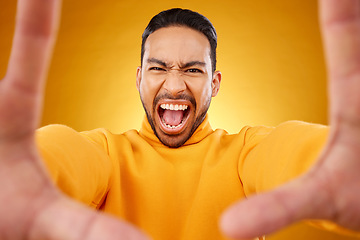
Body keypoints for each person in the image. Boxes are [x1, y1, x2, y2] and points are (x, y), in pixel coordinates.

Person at [1, 0, 360, 239]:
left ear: (214, 83)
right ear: (139, 78)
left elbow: (288, 150)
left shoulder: (245, 154)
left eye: (192, 69)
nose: (174, 86)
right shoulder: (106, 154)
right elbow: (61, 154)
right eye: (158, 68)